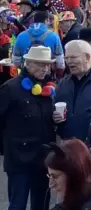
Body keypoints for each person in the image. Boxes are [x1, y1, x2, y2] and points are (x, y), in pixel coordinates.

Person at [0, 46, 57, 210]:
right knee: (17, 204)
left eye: (47, 65)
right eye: (40, 64)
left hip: (43, 157)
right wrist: (6, 149)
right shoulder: (10, 88)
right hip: (19, 159)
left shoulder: (50, 89)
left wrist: (57, 118)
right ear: (28, 63)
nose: (44, 68)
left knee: (41, 204)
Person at [55, 40, 91, 141]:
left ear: (87, 57)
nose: (69, 61)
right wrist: (54, 116)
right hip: (67, 147)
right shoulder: (63, 83)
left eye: (73, 57)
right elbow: (54, 106)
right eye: (66, 58)